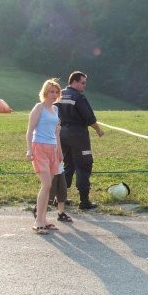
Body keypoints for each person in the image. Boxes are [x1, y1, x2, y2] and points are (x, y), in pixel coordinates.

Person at [57, 71, 104, 210]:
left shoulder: (59, 95)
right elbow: (89, 118)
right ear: (74, 81)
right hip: (78, 135)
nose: (84, 86)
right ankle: (84, 202)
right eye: (82, 83)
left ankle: (60, 199)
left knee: (68, 165)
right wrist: (98, 130)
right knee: (84, 165)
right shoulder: (78, 97)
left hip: (62, 133)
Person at [26, 78, 64, 234]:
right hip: (39, 147)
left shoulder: (55, 110)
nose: (54, 95)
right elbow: (29, 131)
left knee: (49, 186)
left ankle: (44, 219)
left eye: (56, 92)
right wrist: (29, 150)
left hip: (53, 148)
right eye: (51, 92)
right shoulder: (38, 108)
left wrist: (59, 150)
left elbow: (56, 133)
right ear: (45, 92)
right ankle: (38, 221)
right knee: (46, 184)